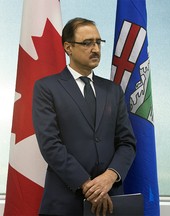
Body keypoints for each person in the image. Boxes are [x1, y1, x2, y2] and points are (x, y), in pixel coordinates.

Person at [32, 17, 136, 216]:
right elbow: (50, 145)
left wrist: (109, 177)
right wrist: (90, 186)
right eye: (87, 43)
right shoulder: (47, 88)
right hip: (64, 202)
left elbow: (127, 142)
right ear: (68, 47)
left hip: (111, 202)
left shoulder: (113, 91)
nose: (95, 49)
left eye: (98, 42)